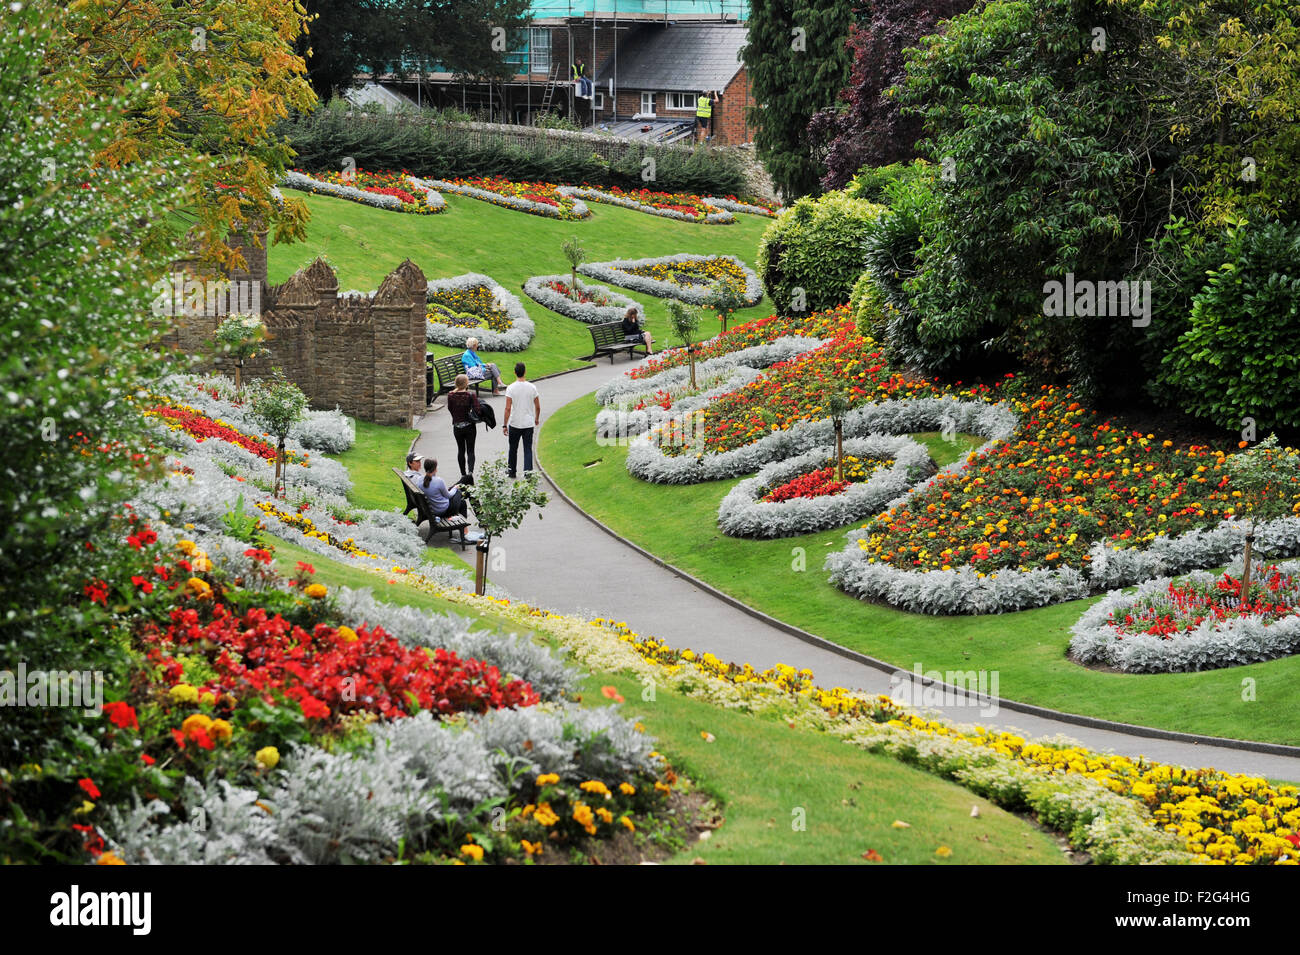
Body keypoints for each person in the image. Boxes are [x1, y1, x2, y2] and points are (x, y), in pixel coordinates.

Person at [502, 362, 541, 479]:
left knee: (513, 448)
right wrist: (537, 418)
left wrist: (504, 425)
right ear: (525, 372)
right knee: (527, 448)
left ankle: (512, 471)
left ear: (515, 372)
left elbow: (508, 408)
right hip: (528, 423)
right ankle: (528, 473)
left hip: (515, 423)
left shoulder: (511, 388)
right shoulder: (532, 387)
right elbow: (538, 406)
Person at [421, 458, 468, 541]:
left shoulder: (419, 480)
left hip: (431, 509)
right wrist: (455, 488)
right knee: (459, 492)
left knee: (462, 502)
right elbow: (449, 496)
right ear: (435, 468)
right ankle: (464, 530)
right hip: (443, 511)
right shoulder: (439, 481)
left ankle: (464, 529)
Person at [447, 373, 483, 477]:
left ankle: (463, 474)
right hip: (469, 427)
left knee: (461, 450)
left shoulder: (451, 395)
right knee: (470, 450)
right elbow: (477, 410)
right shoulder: (470, 395)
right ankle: (470, 472)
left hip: (457, 426)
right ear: (466, 383)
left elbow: (450, 409)